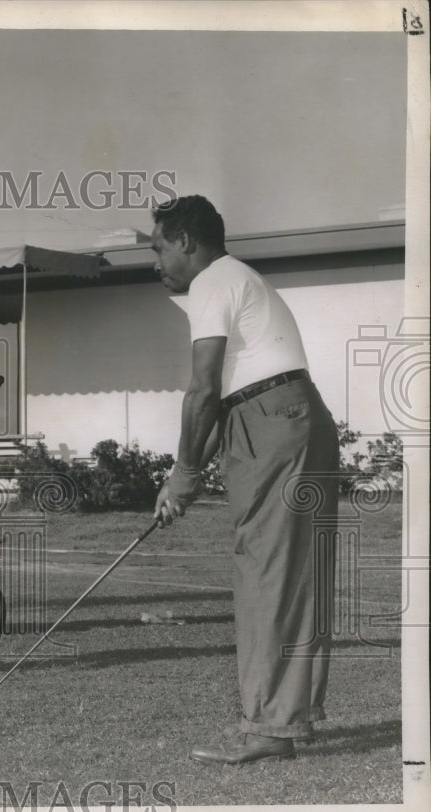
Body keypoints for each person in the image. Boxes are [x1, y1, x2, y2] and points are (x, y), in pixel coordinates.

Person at [151, 196, 338, 764]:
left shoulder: (212, 281)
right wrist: (179, 477)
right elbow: (224, 401)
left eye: (158, 247)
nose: (155, 260)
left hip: (273, 420)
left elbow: (203, 389)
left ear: (186, 240)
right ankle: (282, 722)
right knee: (287, 571)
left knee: (267, 570)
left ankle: (270, 726)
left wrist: (185, 474)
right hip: (282, 415)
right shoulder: (237, 280)